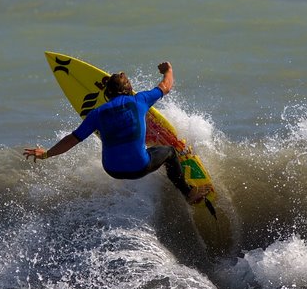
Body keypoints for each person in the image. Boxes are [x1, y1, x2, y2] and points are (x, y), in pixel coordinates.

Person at [24, 61, 209, 204]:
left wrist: (47, 153)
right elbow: (166, 86)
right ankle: (188, 193)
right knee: (169, 152)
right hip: (140, 166)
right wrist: (168, 69)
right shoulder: (140, 100)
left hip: (112, 170)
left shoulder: (96, 114)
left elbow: (72, 139)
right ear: (130, 89)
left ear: (107, 94)